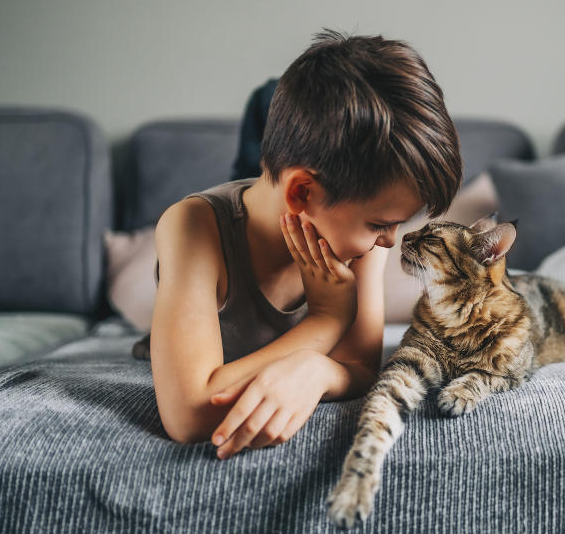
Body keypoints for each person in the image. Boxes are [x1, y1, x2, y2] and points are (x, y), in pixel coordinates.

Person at [149, 28, 463, 460]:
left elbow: (360, 366)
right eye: (379, 223)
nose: (390, 241)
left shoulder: (368, 244)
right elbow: (188, 415)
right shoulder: (192, 227)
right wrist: (326, 321)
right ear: (301, 192)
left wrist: (317, 371)